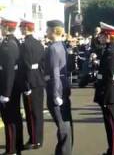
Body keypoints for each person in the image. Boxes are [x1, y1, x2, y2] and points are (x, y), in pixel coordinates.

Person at [94, 22, 114, 155]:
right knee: (109, 123)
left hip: (109, 91)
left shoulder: (111, 51)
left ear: (109, 36)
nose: (100, 37)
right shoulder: (109, 49)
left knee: (112, 124)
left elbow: (110, 75)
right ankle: (112, 149)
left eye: (103, 35)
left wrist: (104, 92)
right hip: (107, 89)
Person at [44, 20, 73, 155]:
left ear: (54, 30)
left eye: (48, 29)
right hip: (63, 85)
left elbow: (55, 71)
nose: (46, 31)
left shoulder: (53, 48)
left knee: (62, 125)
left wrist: (55, 93)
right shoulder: (61, 45)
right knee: (65, 123)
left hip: (57, 87)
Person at [19, 18, 46, 150]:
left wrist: (27, 85)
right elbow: (42, 64)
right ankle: (39, 139)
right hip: (39, 80)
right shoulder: (39, 44)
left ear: (25, 29)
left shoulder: (24, 45)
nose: (20, 29)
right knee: (38, 112)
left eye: (21, 28)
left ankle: (34, 140)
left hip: (31, 82)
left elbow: (26, 66)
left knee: (31, 113)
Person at [0, 16, 23, 155]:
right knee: (15, 118)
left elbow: (8, 69)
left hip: (8, 88)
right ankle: (16, 146)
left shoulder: (8, 45)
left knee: (9, 119)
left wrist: (6, 93)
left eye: (2, 26)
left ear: (6, 28)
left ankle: (11, 150)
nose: (0, 29)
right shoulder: (13, 42)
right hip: (13, 87)